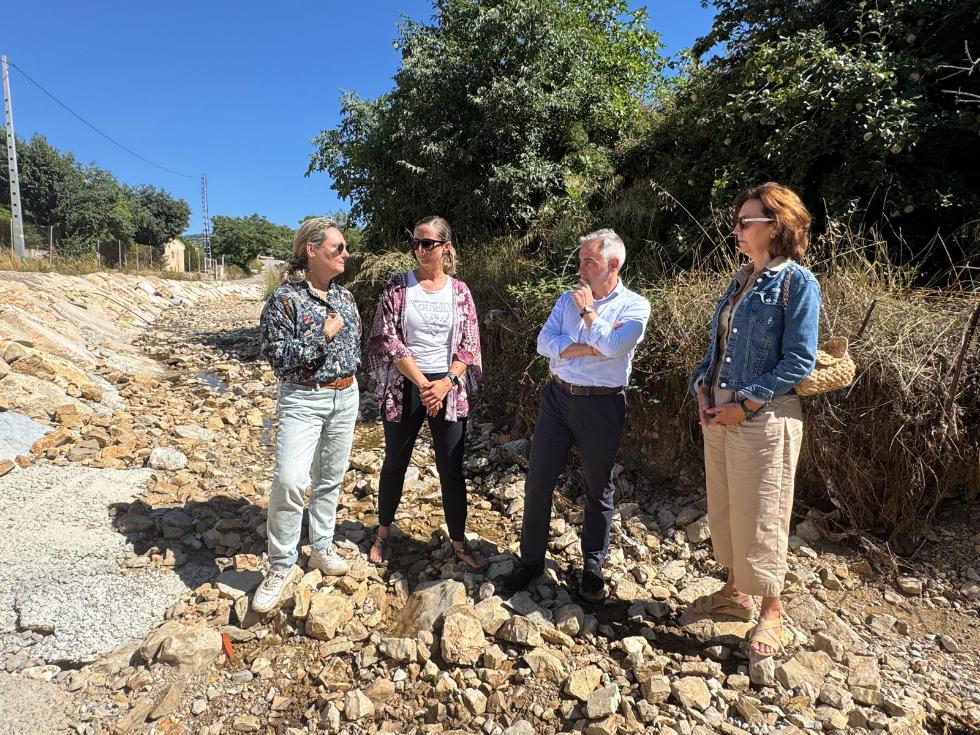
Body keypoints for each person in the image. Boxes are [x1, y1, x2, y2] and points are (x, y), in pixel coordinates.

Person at [688, 182, 820, 655]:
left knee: (763, 511)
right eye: (736, 221)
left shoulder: (797, 282)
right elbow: (718, 347)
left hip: (763, 416)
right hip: (719, 410)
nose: (737, 230)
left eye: (746, 221)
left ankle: (771, 611)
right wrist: (701, 388)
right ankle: (736, 591)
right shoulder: (742, 279)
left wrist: (743, 405)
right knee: (726, 505)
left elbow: (799, 360)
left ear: (777, 225)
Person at [504, 228, 651, 600]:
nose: (580, 267)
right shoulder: (565, 300)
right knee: (538, 480)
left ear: (613, 264)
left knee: (597, 487)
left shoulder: (634, 306)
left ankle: (592, 566)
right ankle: (531, 561)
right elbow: (544, 343)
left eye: (589, 261)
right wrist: (589, 346)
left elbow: (616, 346)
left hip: (602, 404)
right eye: (581, 259)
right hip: (557, 397)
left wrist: (588, 313)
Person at [252, 217, 361, 613]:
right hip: (303, 399)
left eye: (345, 247)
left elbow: (355, 346)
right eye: (338, 248)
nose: (346, 254)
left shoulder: (346, 297)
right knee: (290, 480)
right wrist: (322, 335)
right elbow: (276, 356)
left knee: (330, 478)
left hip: (346, 396)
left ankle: (321, 546)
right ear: (312, 250)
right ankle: (281, 565)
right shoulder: (285, 299)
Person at [366, 216, 484, 570]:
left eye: (427, 243)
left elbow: (469, 344)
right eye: (415, 242)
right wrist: (423, 384)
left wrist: (446, 382)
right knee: (395, 462)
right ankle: (383, 533)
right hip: (407, 384)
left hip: (448, 386)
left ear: (445, 247)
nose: (419, 249)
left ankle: (458, 541)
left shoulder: (460, 291)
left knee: (451, 468)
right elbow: (388, 338)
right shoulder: (398, 286)